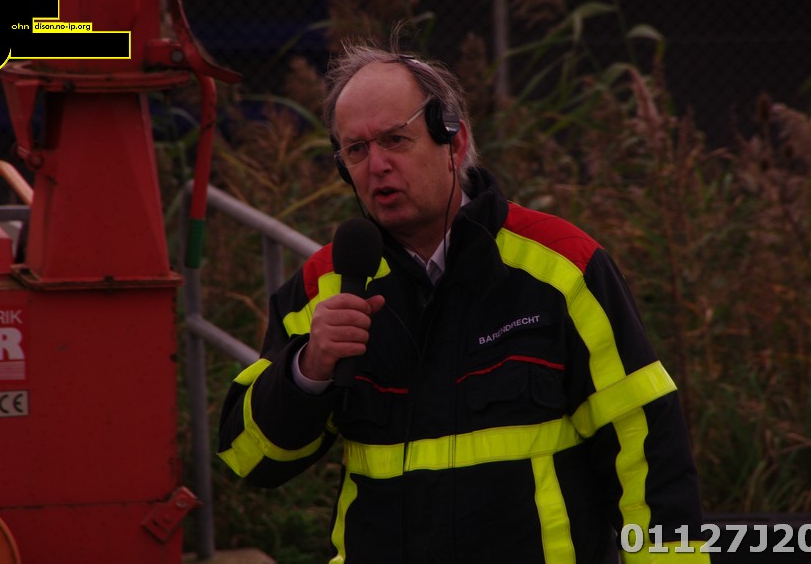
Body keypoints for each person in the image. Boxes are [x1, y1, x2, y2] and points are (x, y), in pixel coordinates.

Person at [218, 42, 710, 564]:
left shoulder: (561, 267)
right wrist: (308, 369)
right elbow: (249, 458)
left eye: (395, 139)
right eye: (356, 150)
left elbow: (646, 449)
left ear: (454, 141)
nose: (377, 165)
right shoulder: (325, 286)